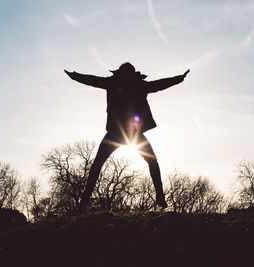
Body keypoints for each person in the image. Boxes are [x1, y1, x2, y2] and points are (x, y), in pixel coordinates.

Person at [64, 62, 189, 211]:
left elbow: (159, 84)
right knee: (149, 162)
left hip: (123, 133)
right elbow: (93, 80)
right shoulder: (127, 84)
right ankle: (84, 202)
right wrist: (75, 76)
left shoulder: (125, 84)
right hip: (126, 133)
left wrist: (178, 78)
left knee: (147, 162)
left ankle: (160, 197)